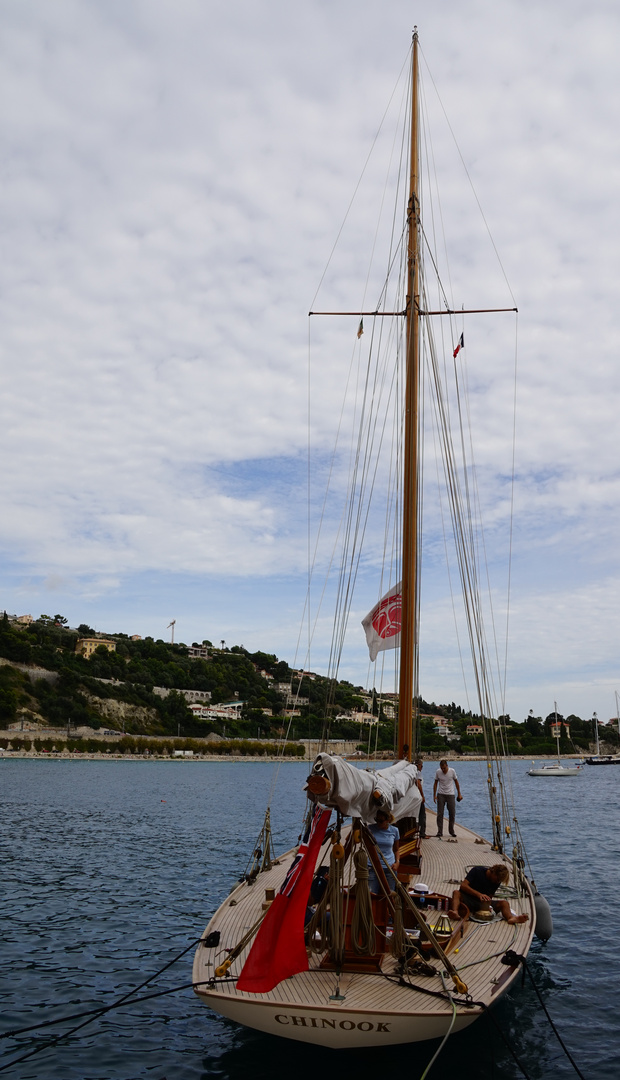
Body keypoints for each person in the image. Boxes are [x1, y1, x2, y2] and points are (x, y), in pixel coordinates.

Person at [448, 864, 529, 924]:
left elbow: (490, 896)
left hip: (481, 904)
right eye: (497, 879)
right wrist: (478, 894)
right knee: (456, 893)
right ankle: (455, 912)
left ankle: (511, 918)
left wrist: (489, 905)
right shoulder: (477, 871)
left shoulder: (496, 882)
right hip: (468, 899)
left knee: (504, 903)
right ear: (493, 872)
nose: (497, 882)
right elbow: (463, 885)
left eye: (499, 881)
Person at [367, 810, 400, 894]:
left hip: (389, 867)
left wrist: (397, 863)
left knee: (390, 895)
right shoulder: (370, 829)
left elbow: (396, 849)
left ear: (388, 820)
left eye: (381, 821)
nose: (378, 823)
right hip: (372, 867)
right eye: (376, 820)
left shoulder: (394, 831)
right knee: (371, 894)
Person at [432, 759, 462, 839]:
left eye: (444, 768)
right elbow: (435, 784)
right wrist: (434, 795)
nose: (443, 770)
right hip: (441, 794)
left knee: (452, 813)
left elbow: (456, 782)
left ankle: (451, 831)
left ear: (447, 766)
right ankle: (439, 831)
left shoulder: (452, 771)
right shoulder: (438, 772)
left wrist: (459, 793)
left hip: (450, 794)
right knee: (440, 814)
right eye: (442, 768)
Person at [414, 757, 428, 838]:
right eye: (421, 766)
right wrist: (422, 796)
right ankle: (422, 833)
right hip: (418, 797)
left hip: (414, 797)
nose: (422, 768)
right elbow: (418, 783)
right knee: (422, 814)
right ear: (418, 765)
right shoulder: (418, 773)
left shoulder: (412, 772)